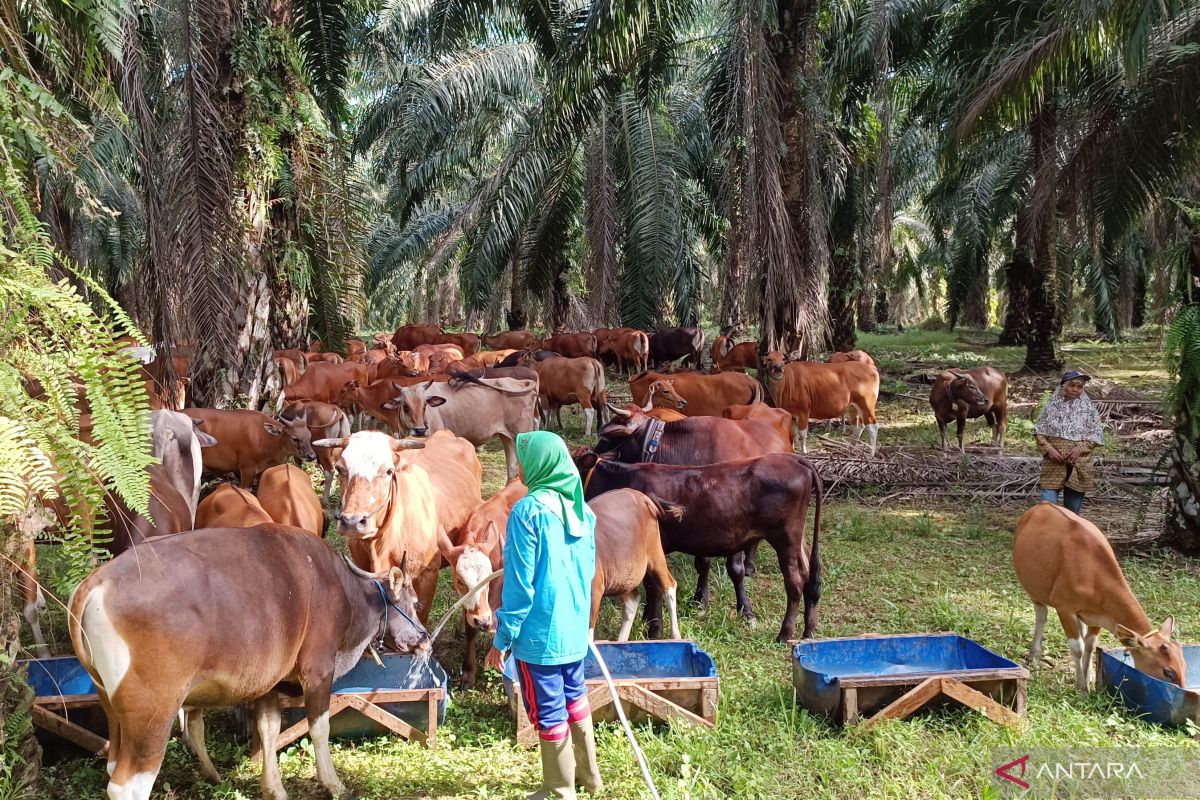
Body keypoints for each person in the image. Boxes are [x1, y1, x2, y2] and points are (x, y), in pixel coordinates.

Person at [484, 431, 600, 799]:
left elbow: (519, 590)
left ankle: (559, 790)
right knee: (575, 699)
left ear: (539, 465)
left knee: (549, 713)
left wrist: (501, 640)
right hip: (574, 631)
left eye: (522, 458)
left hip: (540, 638)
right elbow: (588, 574)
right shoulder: (585, 512)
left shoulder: (527, 512)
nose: (518, 466)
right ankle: (590, 779)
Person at [1034, 369, 1105, 514]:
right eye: (1072, 385)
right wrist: (1049, 449)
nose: (1076, 390)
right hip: (1053, 463)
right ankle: (1046, 533)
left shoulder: (1088, 409)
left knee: (1072, 511)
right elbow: (1039, 432)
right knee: (1046, 506)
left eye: (1080, 387)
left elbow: (1096, 435)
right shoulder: (1051, 407)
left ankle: (1068, 534)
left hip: (1079, 463)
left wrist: (1080, 448)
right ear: (1063, 386)